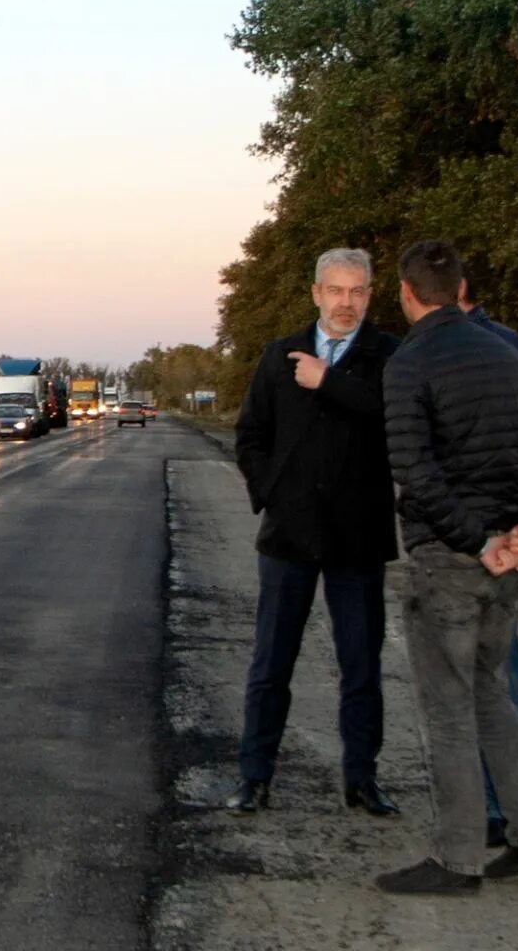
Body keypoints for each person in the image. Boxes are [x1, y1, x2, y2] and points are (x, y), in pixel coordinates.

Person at [377, 240, 518, 895]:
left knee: (450, 707)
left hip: (451, 559)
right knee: (491, 691)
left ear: (406, 293)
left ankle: (458, 860)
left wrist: (473, 541)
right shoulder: (510, 352)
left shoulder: (409, 363)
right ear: (460, 289)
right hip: (506, 560)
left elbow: (415, 472)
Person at [227, 248, 402, 817]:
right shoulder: (279, 357)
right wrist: (271, 494)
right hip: (289, 539)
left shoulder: (389, 356)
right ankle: (254, 777)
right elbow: (250, 435)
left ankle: (362, 780)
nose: (346, 303)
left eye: (357, 292)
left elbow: (393, 418)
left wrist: (328, 380)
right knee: (271, 664)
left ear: (370, 295)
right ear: (316, 293)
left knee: (361, 667)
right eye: (336, 291)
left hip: (358, 538)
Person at [459, 277, 518, 850]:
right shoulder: (512, 344)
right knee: (498, 673)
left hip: (481, 535)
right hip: (501, 529)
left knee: (490, 674)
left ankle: (505, 811)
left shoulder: (475, 348)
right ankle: (510, 808)